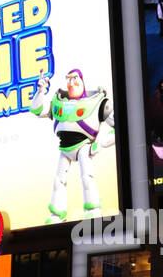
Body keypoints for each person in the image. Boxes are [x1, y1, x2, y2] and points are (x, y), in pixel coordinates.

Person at [28, 69, 113, 224]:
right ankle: (57, 213)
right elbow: (36, 109)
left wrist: (100, 144)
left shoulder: (98, 102)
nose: (71, 83)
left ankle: (93, 209)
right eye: (68, 79)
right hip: (65, 148)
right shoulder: (58, 102)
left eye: (75, 79)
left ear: (81, 80)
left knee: (87, 177)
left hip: (84, 147)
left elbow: (117, 127)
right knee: (58, 181)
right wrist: (40, 91)